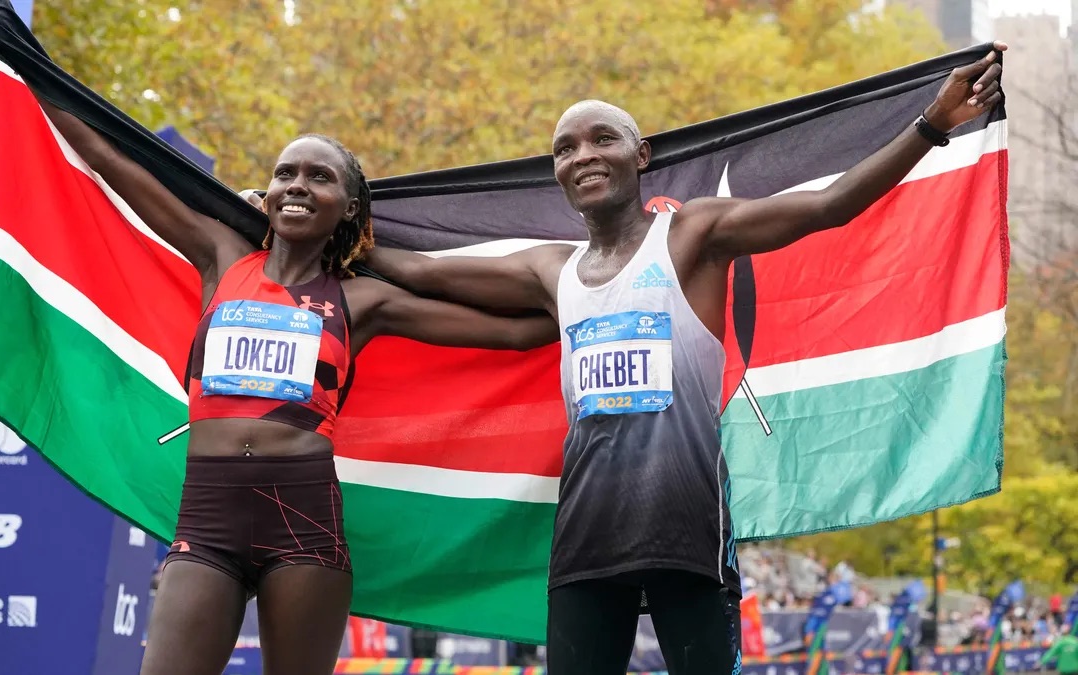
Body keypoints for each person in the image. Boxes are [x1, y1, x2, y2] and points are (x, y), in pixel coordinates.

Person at [356, 46, 1008, 674]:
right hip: (586, 543)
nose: (583, 154)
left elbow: (827, 206)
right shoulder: (551, 270)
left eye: (602, 138)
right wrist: (336, 229)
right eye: (565, 147)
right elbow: (421, 272)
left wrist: (931, 125)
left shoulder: (693, 234)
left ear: (640, 156)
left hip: (687, 536)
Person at [0, 20, 558, 675]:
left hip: (304, 524)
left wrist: (596, 302)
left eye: (320, 177)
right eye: (286, 173)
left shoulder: (362, 300)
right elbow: (111, 158)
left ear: (347, 206)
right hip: (207, 518)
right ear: (269, 191)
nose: (298, 184)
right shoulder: (221, 256)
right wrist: (27, 62)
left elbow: (512, 332)